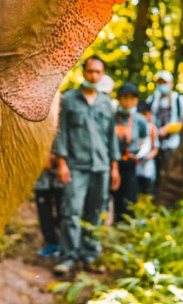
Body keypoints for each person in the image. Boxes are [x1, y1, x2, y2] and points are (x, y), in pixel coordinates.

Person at [53, 55, 121, 275]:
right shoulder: (69, 99)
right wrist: (62, 163)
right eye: (90, 71)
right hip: (76, 166)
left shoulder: (106, 103)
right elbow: (60, 133)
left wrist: (114, 168)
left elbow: (111, 137)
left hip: (101, 167)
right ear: (84, 72)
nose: (94, 76)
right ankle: (67, 257)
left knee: (95, 212)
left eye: (98, 73)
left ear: (103, 75)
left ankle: (90, 255)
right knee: (71, 211)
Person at [146, 71, 183, 190]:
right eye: (159, 82)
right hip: (154, 145)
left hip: (172, 144)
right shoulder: (152, 99)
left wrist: (169, 128)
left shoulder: (179, 100)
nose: (162, 85)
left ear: (171, 83)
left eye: (164, 82)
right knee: (154, 175)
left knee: (169, 172)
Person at [113, 83, 148, 222]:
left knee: (130, 196)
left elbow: (147, 140)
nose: (128, 102)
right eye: (124, 98)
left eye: (131, 98)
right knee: (115, 196)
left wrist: (139, 155)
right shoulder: (113, 117)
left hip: (131, 163)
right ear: (119, 99)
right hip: (114, 163)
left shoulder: (140, 120)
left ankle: (129, 225)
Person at [34, 152, 64, 258]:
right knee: (44, 213)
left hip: (61, 179)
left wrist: (57, 160)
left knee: (63, 212)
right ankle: (51, 244)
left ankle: (64, 244)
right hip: (41, 180)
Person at [136, 102, 159, 195]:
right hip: (136, 166)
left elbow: (155, 148)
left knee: (148, 191)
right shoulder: (134, 127)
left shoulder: (153, 128)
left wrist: (150, 155)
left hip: (148, 166)